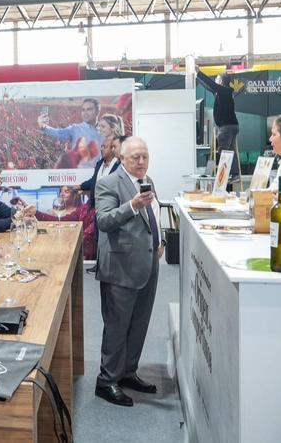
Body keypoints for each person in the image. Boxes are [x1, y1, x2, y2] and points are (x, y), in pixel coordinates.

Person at [93, 137, 162, 407]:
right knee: (117, 326)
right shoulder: (108, 183)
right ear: (122, 158)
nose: (142, 161)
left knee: (139, 323)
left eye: (145, 156)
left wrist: (160, 241)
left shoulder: (149, 181)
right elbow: (104, 221)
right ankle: (106, 380)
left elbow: (154, 215)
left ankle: (127, 372)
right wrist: (132, 205)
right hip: (120, 268)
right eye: (135, 157)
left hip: (147, 264)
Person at [38, 98, 103, 168]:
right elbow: (59, 133)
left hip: (100, 174)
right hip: (79, 174)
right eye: (83, 110)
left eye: (89, 109)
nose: (85, 113)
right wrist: (44, 127)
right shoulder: (75, 129)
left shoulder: (105, 131)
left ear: (97, 112)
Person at [196, 71, 240, 174]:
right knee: (230, 152)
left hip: (226, 127)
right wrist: (197, 78)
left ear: (221, 81)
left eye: (217, 78)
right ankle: (234, 174)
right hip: (232, 125)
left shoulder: (224, 91)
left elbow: (212, 85)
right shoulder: (223, 93)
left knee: (223, 152)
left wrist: (199, 73)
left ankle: (223, 176)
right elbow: (209, 87)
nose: (215, 80)